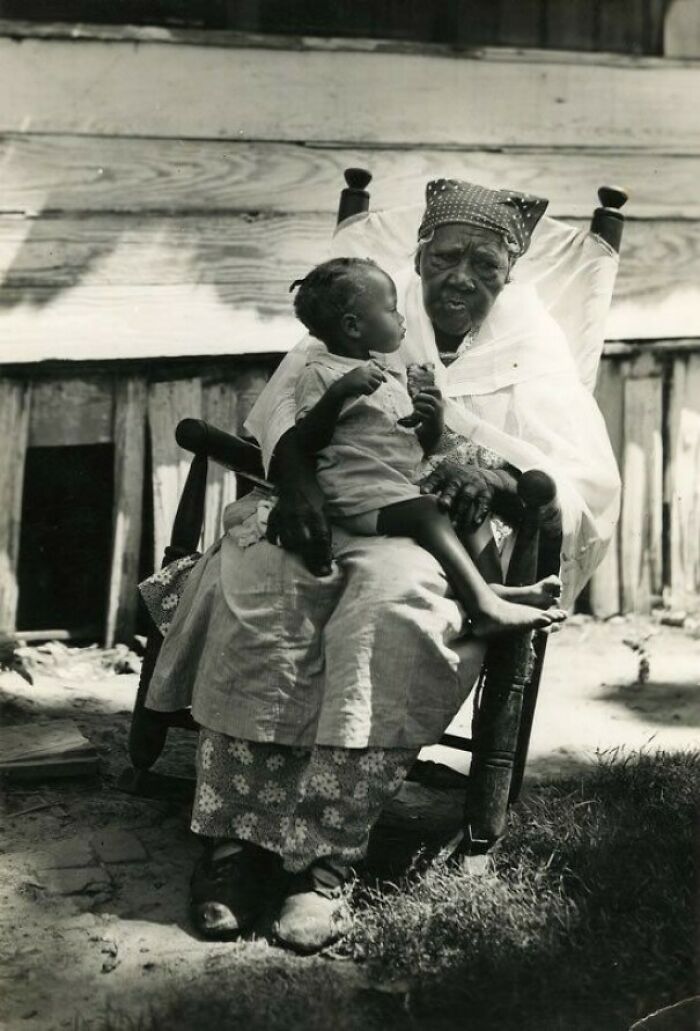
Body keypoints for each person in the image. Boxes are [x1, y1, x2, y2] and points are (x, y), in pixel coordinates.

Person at [143, 179, 621, 954]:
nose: (464, 277)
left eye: (487, 265)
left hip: (442, 539)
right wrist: (295, 482)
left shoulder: (533, 350)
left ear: (510, 274)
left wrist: (492, 478)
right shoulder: (360, 320)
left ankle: (322, 861)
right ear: (421, 257)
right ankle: (236, 847)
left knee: (385, 609)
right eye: (450, 258)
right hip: (328, 508)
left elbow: (572, 477)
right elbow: (282, 421)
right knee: (266, 582)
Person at [291, 256, 565, 636]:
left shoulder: (387, 375)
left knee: (465, 507)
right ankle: (484, 610)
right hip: (358, 496)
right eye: (390, 310)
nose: (402, 318)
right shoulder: (321, 374)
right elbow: (306, 440)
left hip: (397, 488)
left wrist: (430, 419)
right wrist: (339, 393)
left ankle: (492, 590)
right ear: (353, 326)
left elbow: (409, 439)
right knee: (429, 512)